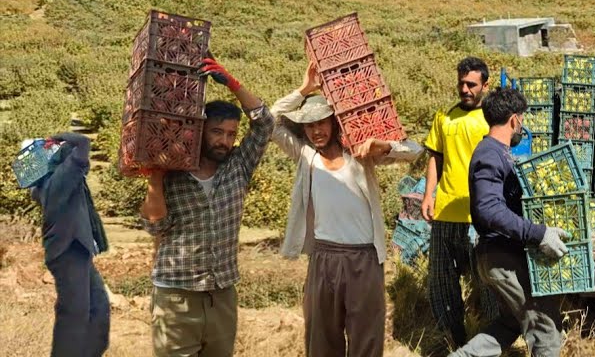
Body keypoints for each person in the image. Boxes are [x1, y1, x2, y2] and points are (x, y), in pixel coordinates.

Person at [270, 61, 424, 357]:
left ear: (334, 122)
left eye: (322, 122)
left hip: (365, 257)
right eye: (309, 124)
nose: (316, 130)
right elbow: (268, 120)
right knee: (322, 339)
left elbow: (414, 150)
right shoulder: (305, 155)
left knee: (366, 338)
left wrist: (383, 145)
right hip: (324, 257)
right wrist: (304, 89)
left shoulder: (360, 153)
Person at [140, 57, 274, 357]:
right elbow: (154, 226)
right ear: (199, 131)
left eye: (230, 134)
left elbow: (266, 122)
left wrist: (233, 83)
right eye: (216, 132)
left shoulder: (239, 164)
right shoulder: (173, 171)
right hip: (176, 295)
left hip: (222, 294)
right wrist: (156, 179)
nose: (224, 141)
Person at [448, 87, 571, 357]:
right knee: (547, 331)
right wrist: (538, 233)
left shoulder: (497, 152)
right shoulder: (490, 154)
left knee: (509, 324)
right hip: (502, 257)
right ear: (515, 120)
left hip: (498, 257)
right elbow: (488, 209)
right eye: (522, 120)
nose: (522, 127)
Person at [424, 57, 500, 350]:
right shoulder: (445, 116)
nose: (465, 89)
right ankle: (453, 342)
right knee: (442, 283)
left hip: (480, 217)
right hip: (445, 212)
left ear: (485, 85)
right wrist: (429, 194)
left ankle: (493, 343)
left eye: (471, 84)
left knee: (488, 283)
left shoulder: (492, 121)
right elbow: (435, 156)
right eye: (461, 84)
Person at [24, 131, 110, 357]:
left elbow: (81, 165)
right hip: (68, 251)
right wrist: (59, 137)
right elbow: (82, 147)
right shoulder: (55, 181)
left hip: (76, 250)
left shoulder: (54, 182)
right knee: (74, 314)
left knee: (98, 309)